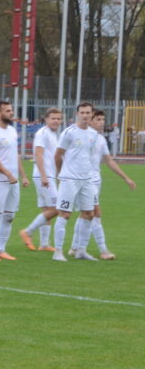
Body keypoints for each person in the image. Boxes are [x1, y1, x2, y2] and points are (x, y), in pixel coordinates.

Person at [70, 109, 136, 259]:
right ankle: (103, 250)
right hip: (85, 181)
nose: (101, 122)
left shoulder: (100, 139)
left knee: (84, 214)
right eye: (98, 119)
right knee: (95, 214)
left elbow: (108, 160)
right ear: (90, 120)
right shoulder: (80, 136)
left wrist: (126, 178)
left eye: (102, 119)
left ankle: (75, 247)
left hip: (95, 181)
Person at [52, 102, 99, 263]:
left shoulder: (93, 134)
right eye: (82, 112)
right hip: (69, 179)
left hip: (86, 180)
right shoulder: (69, 132)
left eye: (88, 113)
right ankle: (57, 251)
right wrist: (60, 175)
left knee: (89, 214)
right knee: (65, 214)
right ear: (77, 114)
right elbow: (58, 155)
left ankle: (81, 250)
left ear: (92, 115)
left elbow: (88, 156)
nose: (85, 115)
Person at [0, 100, 29, 262]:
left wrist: (23, 175)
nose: (11, 113)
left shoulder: (12, 131)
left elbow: (15, 155)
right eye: (8, 111)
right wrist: (8, 174)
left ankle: (1, 249)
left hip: (13, 181)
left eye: (11, 110)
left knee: (9, 216)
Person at [19, 109, 64, 252]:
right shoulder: (42, 134)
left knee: (46, 209)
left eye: (58, 118)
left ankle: (44, 244)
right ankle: (28, 231)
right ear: (46, 119)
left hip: (47, 175)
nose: (56, 121)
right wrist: (44, 175)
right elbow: (38, 154)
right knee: (57, 208)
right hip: (43, 176)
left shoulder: (52, 134)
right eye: (53, 118)